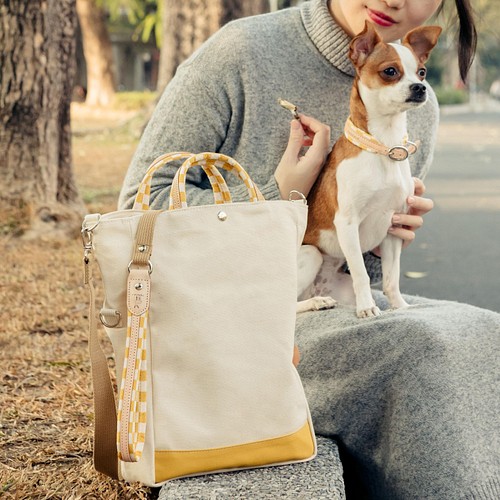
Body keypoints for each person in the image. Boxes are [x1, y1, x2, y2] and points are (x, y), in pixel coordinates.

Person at [119, 1, 500, 498]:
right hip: (227, 318)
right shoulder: (242, 52)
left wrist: (389, 226)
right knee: (419, 350)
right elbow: (136, 208)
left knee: (485, 333)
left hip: (331, 304)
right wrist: (276, 194)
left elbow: (356, 251)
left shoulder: (417, 104)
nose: (392, 1)